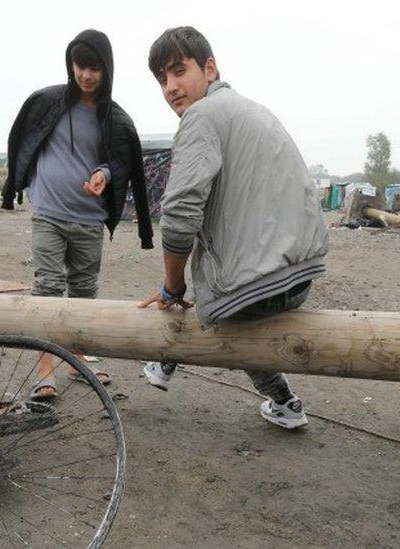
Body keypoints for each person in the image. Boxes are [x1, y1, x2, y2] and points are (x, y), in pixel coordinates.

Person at [138, 26, 329, 429]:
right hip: (300, 275)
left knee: (204, 305)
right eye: (162, 80)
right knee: (228, 306)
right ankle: (284, 404)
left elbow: (179, 217)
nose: (171, 87)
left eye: (178, 71)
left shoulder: (200, 117)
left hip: (258, 286)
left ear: (209, 68)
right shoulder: (255, 110)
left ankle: (166, 359)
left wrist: (172, 288)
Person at [2, 29, 154, 400]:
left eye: (95, 68)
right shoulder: (47, 102)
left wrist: (104, 173)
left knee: (84, 292)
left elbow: (120, 162)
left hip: (88, 220)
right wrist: (18, 186)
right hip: (49, 214)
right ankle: (45, 370)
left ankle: (78, 358)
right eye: (80, 66)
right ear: (71, 66)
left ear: (107, 70)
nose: (86, 75)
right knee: (48, 289)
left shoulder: (114, 119)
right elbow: (22, 140)